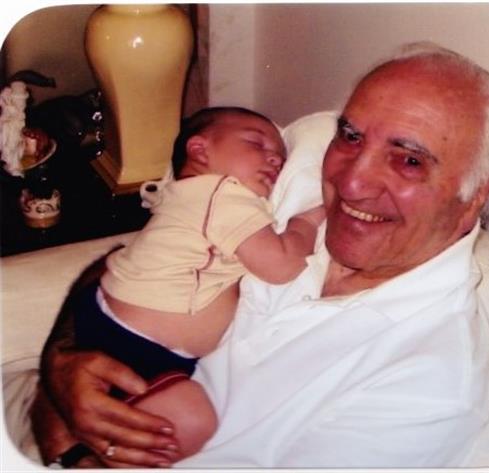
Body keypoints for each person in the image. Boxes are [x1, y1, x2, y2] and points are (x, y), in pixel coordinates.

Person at [32, 42, 489, 468]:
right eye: (351, 137)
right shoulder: (288, 178)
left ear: (474, 195)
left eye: (409, 160)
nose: (350, 183)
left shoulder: (426, 387)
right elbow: (132, 259)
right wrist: (62, 364)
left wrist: (71, 450)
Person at [34, 106, 325, 466]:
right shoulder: (221, 193)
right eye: (256, 143)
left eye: (280, 155)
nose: (275, 159)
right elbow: (279, 265)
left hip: (129, 331)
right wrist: (305, 224)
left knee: (145, 426)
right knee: (189, 420)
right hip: (136, 339)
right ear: (199, 150)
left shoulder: (190, 198)